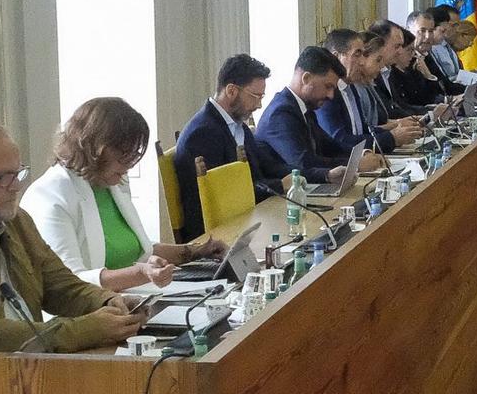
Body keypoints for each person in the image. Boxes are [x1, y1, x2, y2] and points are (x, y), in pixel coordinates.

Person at [0, 115, 148, 352]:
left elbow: (60, 285)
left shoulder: (14, 217)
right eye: (4, 177)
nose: (16, 186)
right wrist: (88, 329)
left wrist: (108, 301)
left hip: (33, 366)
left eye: (18, 173)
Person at [23, 97, 224, 291]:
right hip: (85, 317)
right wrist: (141, 273)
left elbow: (140, 249)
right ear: (94, 147)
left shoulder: (110, 183)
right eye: (122, 154)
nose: (129, 164)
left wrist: (196, 252)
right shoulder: (50, 196)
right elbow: (70, 281)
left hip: (125, 302)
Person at [173, 53, 292, 242]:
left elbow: (263, 167)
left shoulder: (237, 124)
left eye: (262, 97)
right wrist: (280, 185)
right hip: (216, 235)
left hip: (247, 219)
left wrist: (298, 175)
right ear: (231, 91)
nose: (259, 105)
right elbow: (224, 197)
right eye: (255, 96)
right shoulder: (203, 133)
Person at [256, 46, 379, 183]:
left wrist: (361, 155)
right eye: (328, 87)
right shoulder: (280, 113)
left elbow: (331, 146)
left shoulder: (304, 108)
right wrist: (355, 165)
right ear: (306, 78)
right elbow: (303, 162)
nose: (331, 95)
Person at [320, 29, 426, 154]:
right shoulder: (326, 94)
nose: (362, 62)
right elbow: (340, 140)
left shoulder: (350, 87)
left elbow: (365, 130)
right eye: (357, 55)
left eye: (363, 55)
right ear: (336, 57)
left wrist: (400, 131)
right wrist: (392, 138)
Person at [408, 10, 467, 97]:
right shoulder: (406, 59)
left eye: (431, 31)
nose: (428, 36)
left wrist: (471, 89)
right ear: (409, 31)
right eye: (422, 31)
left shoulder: (426, 55)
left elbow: (445, 85)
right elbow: (421, 97)